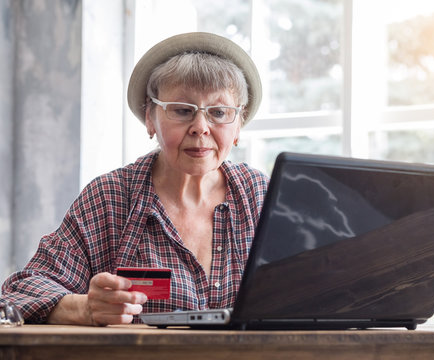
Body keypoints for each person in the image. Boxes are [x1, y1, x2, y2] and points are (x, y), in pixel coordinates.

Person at [0, 32, 268, 326]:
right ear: (150, 118)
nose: (200, 127)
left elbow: (318, 289)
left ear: (239, 125)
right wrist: (85, 308)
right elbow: (20, 292)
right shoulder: (110, 197)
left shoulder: (261, 196)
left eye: (218, 112)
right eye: (182, 110)